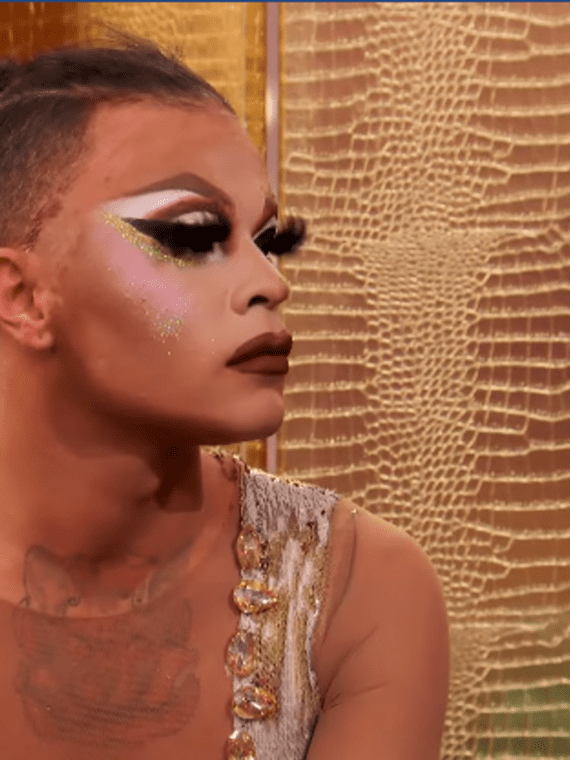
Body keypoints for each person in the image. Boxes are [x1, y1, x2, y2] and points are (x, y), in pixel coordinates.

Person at [0, 35, 449, 759]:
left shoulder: (353, 591)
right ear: (21, 296)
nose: (272, 283)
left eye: (270, 241)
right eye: (191, 238)